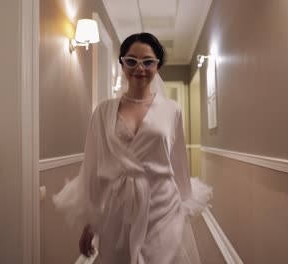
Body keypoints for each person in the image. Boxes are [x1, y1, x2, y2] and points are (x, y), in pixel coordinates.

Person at [53, 32, 212, 264]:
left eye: (148, 61)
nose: (140, 68)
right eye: (131, 61)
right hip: (119, 208)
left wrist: (184, 204)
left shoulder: (172, 110)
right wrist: (90, 223)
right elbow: (94, 168)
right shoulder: (103, 112)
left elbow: (179, 164)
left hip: (162, 205)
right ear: (122, 63)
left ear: (158, 66)